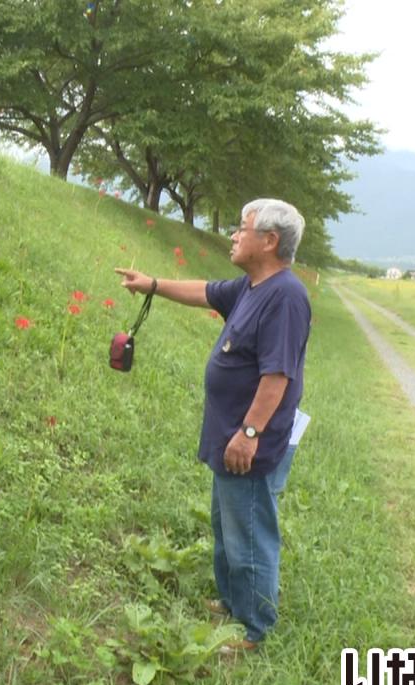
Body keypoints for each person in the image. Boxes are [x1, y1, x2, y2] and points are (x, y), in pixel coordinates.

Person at [114, 198, 311, 654]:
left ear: (269, 240)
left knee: (250, 530)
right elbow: (203, 291)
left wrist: (249, 433)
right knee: (228, 526)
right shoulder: (251, 287)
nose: (234, 236)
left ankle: (254, 628)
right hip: (229, 435)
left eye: (243, 229)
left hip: (249, 440)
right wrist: (153, 284)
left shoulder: (284, 297)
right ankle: (232, 599)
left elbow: (277, 375)